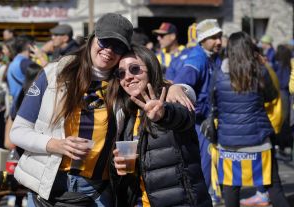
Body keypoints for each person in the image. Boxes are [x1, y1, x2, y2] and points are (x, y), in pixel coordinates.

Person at [10, 13, 192, 207]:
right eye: (105, 41)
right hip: (48, 187)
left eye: (118, 46)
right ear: (92, 39)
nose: (109, 50)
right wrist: (56, 144)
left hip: (96, 192)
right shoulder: (56, 72)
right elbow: (18, 132)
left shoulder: (122, 80)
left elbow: (157, 84)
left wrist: (177, 88)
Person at [110, 44, 212, 207]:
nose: (127, 77)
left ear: (151, 68)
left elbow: (182, 116)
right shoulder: (128, 113)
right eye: (121, 73)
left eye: (134, 69)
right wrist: (117, 166)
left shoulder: (170, 99)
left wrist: (163, 114)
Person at [212, 31, 289, 207]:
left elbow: (212, 104)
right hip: (259, 140)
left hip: (229, 142)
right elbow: (271, 96)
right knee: (274, 187)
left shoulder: (218, 74)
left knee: (231, 189)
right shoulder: (260, 71)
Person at [172, 19, 223, 202]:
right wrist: (199, 112)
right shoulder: (197, 59)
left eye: (219, 36)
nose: (218, 41)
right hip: (198, 122)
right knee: (203, 162)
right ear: (202, 39)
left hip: (207, 119)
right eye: (213, 37)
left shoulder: (212, 56)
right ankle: (205, 198)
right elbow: (179, 89)